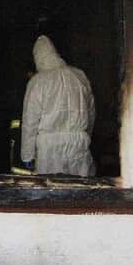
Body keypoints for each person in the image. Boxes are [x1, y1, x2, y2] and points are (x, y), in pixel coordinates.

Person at [21, 35, 96, 176]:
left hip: (49, 151)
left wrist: (27, 155)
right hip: (78, 144)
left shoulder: (38, 82)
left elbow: (29, 122)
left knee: (52, 192)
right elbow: (91, 112)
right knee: (81, 192)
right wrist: (85, 135)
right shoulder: (79, 76)